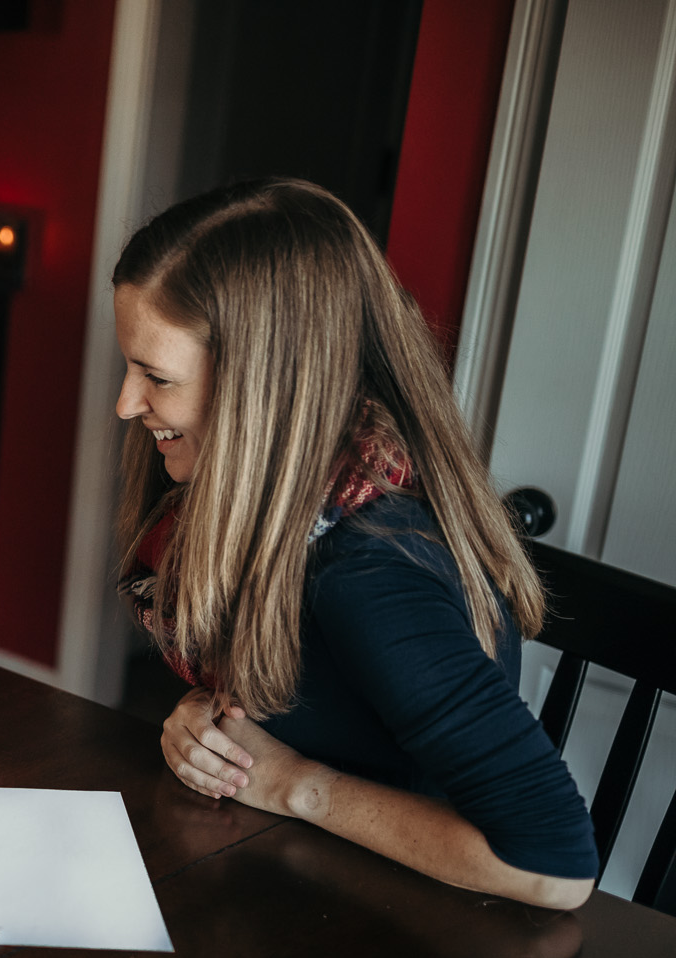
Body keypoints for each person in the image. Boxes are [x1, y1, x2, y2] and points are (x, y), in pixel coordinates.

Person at [110, 178, 597, 910]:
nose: (125, 402)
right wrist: (211, 727)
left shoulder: (369, 570)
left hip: (404, 940)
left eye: (156, 376)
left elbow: (555, 865)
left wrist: (292, 783)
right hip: (290, 888)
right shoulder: (280, 503)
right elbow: (317, 698)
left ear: (262, 388)